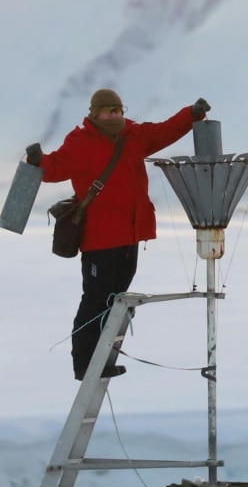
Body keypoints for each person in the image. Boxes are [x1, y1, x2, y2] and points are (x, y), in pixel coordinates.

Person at [27, 90, 209, 379]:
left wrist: (192, 114)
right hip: (99, 240)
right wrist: (38, 161)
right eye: (108, 110)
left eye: (118, 109)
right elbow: (56, 167)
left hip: (130, 236)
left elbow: (165, 131)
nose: (114, 115)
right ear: (94, 112)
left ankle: (103, 359)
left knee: (118, 300)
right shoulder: (81, 142)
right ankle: (85, 364)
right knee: (96, 300)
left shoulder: (134, 134)